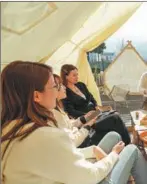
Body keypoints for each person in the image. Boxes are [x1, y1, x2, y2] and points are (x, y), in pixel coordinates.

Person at [1, 61, 147, 184]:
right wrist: (113, 155)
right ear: (37, 96)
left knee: (114, 134)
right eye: (54, 86)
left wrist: (92, 149)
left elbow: (59, 156)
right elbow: (90, 176)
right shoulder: (44, 135)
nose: (59, 89)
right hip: (87, 176)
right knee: (132, 150)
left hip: (73, 167)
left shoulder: (10, 129)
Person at [60, 64, 131, 145]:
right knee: (115, 118)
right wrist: (87, 116)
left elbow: (91, 97)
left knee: (114, 113)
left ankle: (121, 142)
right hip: (87, 119)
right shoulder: (65, 93)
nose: (77, 77)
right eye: (74, 75)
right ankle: (127, 143)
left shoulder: (81, 85)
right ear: (66, 76)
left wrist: (96, 107)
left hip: (95, 113)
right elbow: (71, 111)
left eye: (77, 74)